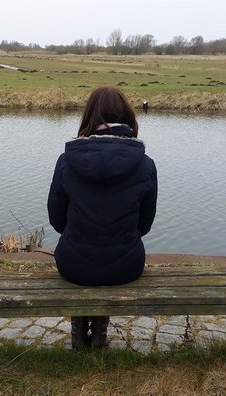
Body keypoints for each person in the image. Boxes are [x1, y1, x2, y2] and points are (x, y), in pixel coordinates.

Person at [47, 86, 158, 349]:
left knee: (83, 260)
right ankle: (99, 333)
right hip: (127, 266)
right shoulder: (145, 164)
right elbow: (145, 224)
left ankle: (78, 333)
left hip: (73, 264)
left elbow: (56, 219)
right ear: (128, 117)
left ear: (89, 116)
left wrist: (79, 235)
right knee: (105, 257)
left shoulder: (66, 161)